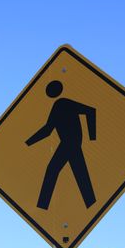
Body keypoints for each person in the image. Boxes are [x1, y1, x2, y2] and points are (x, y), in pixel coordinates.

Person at [26, 80, 96, 209]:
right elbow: (48, 130)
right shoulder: (59, 104)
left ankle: (42, 206)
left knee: (52, 170)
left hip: (70, 143)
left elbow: (91, 111)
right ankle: (91, 203)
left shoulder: (62, 103)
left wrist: (93, 138)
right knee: (80, 173)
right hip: (71, 143)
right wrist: (28, 143)